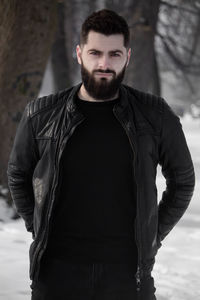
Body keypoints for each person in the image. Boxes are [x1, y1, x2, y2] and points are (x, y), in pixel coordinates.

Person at [7, 9, 195, 300]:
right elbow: (18, 173)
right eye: (95, 53)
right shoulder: (41, 115)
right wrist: (37, 224)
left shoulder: (155, 116)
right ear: (79, 53)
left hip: (128, 276)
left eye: (115, 54)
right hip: (56, 275)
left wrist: (153, 234)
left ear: (127, 57)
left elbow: (182, 181)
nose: (104, 64)